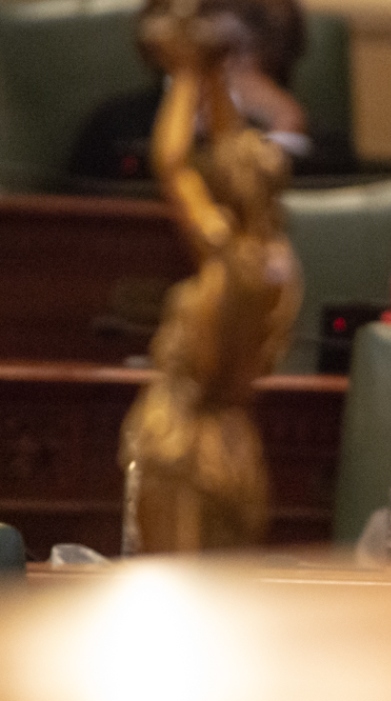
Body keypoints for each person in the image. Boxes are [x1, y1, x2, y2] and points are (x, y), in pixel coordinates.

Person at [119, 0, 302, 551]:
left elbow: (173, 165)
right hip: (232, 447)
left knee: (178, 583)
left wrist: (187, 74)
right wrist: (219, 77)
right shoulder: (274, 262)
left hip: (183, 443)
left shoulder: (229, 258)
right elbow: (232, 151)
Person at [69, 0, 355, 182]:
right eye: (206, 53)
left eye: (235, 52)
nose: (220, 71)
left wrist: (284, 132)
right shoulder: (117, 128)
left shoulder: (318, 143)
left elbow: (321, 223)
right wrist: (183, 139)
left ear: (273, 60)